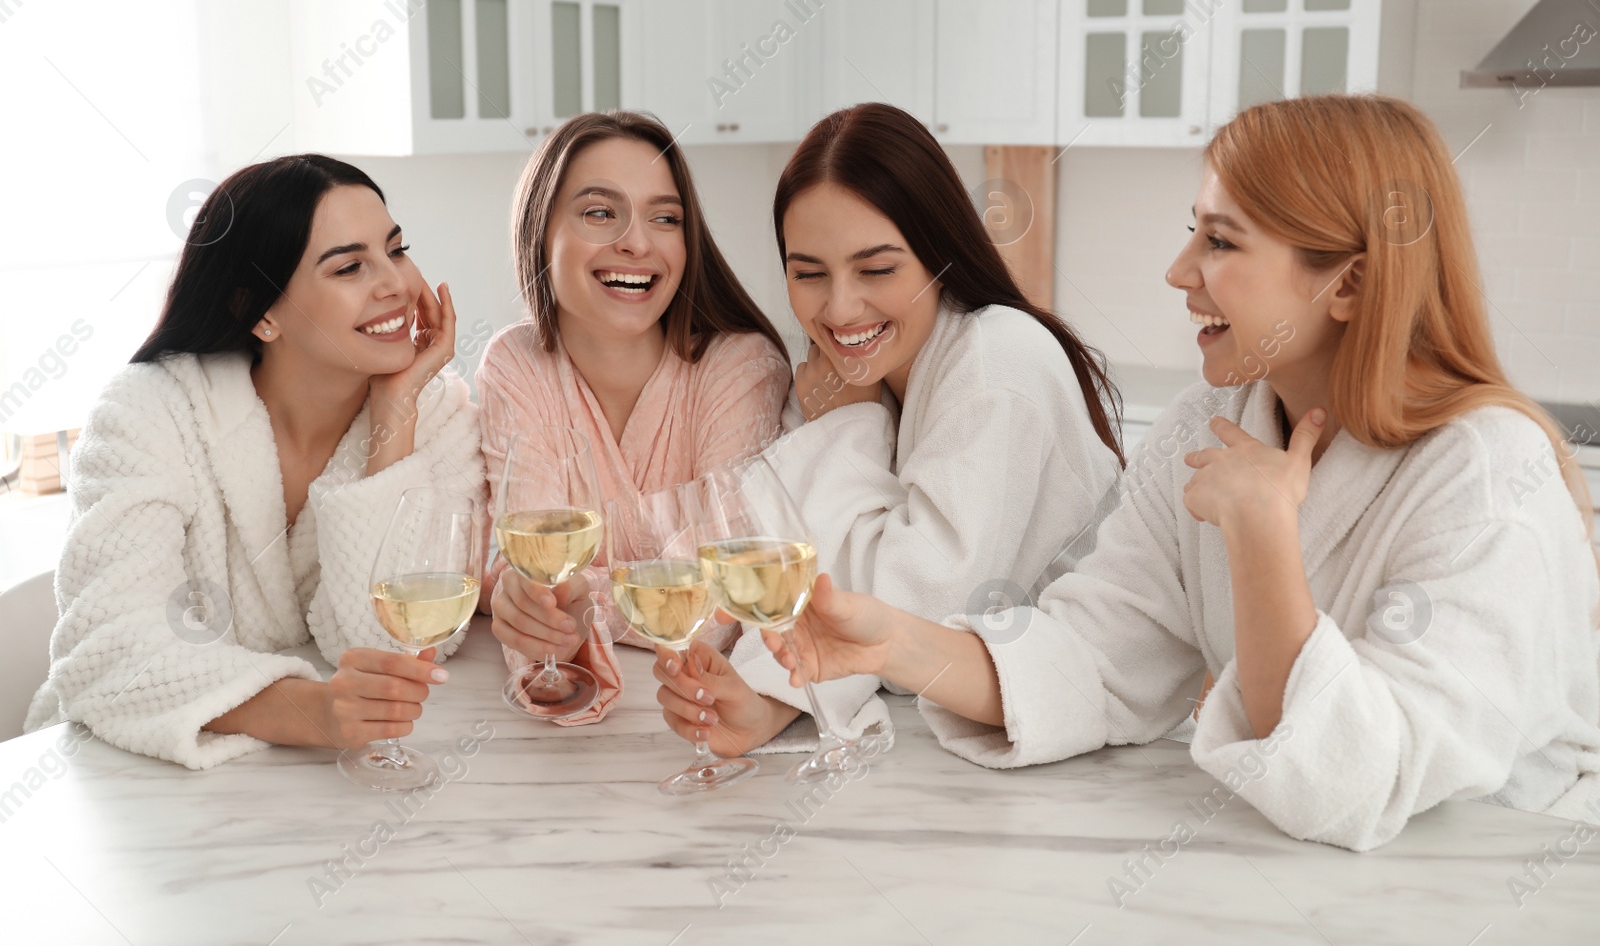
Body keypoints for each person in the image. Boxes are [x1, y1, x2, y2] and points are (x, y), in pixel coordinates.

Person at [756, 95, 1600, 851]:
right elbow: (1093, 655)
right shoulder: (1215, 420)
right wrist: (896, 641)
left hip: (1504, 870)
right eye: (1192, 228)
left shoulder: (1483, 472)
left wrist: (1263, 533)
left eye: (1221, 240)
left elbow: (1351, 780)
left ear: (1350, 282)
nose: (1179, 269)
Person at [654, 102, 1126, 754]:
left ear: (940, 252)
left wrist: (850, 415)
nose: (840, 306)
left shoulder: (996, 364)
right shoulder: (849, 373)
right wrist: (768, 700)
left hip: (1076, 737)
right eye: (808, 273)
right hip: (946, 737)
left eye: (877, 269)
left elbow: (910, 610)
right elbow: (806, 576)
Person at [26, 155, 484, 769]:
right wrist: (311, 711)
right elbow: (111, 655)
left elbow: (398, 645)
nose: (396, 284)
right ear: (260, 312)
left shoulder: (436, 412)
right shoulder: (148, 413)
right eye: (350, 266)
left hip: (304, 784)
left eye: (396, 251)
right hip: (123, 768)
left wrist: (394, 415)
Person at [479, 111, 791, 724]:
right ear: (541, 231)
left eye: (665, 218)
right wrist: (528, 609)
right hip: (585, 764)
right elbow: (537, 576)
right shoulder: (516, 364)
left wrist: (536, 600)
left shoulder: (741, 365)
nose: (638, 242)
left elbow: (719, 606)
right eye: (600, 212)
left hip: (700, 723)